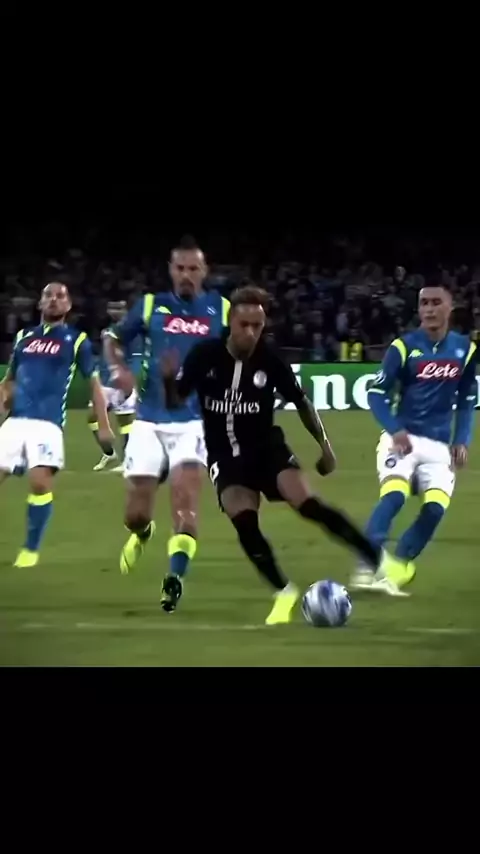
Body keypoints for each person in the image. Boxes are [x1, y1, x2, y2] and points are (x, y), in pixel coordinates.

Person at [161, 284, 407, 625]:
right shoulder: (204, 356)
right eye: (244, 325)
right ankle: (283, 592)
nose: (251, 332)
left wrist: (325, 447)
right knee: (244, 522)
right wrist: (167, 381)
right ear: (231, 323)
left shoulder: (270, 359)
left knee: (308, 504)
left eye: (257, 326)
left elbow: (302, 402)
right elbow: (175, 402)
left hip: (267, 450)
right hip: (225, 457)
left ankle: (379, 561)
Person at [103, 235, 230, 611]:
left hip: (194, 423)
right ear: (171, 270)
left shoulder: (222, 310)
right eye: (180, 268)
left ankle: (174, 578)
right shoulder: (150, 306)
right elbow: (111, 337)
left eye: (194, 268)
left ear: (205, 271)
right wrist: (118, 368)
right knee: (135, 515)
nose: (187, 275)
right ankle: (143, 532)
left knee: (185, 505)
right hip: (149, 421)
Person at [351, 284, 477, 595]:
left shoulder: (466, 349)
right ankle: (367, 563)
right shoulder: (403, 347)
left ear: (450, 308)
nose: (429, 309)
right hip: (402, 441)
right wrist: (395, 429)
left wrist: (462, 440)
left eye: (436, 303)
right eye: (424, 303)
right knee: (394, 496)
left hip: (439, 446)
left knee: (435, 509)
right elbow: (376, 393)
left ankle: (395, 571)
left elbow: (466, 399)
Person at [0, 282, 112, 567]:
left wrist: (103, 425)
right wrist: (4, 399)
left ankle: (30, 549)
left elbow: (95, 386)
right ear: (39, 303)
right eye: (48, 295)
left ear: (68, 305)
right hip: (15, 420)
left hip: (47, 423)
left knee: (39, 484)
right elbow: (9, 379)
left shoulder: (77, 340)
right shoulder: (24, 336)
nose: (53, 300)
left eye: (60, 296)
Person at [88, 300, 142, 472]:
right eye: (111, 308)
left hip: (121, 383)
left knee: (125, 422)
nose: (114, 311)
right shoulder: (108, 330)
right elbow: (103, 355)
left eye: (118, 308)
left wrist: (129, 379)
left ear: (126, 311)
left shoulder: (132, 332)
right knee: (93, 418)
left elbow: (136, 357)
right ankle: (109, 453)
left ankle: (127, 460)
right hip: (104, 382)